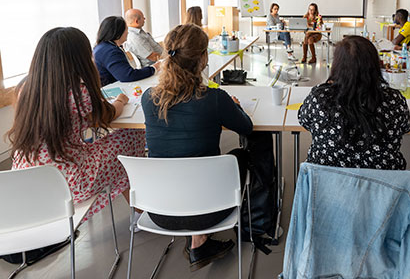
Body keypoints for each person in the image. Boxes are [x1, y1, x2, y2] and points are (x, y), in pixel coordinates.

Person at [141, 23, 254, 271]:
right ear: (202, 58)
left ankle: (198, 240)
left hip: (160, 210)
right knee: (240, 155)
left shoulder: (148, 98)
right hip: (211, 209)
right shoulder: (214, 99)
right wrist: (235, 106)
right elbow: (246, 127)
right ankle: (201, 238)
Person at [9, 27, 146, 223]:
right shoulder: (77, 91)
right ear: (79, 57)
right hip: (69, 183)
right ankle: (141, 212)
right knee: (128, 137)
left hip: (27, 181)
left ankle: (139, 210)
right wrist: (121, 100)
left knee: (111, 146)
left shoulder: (24, 89)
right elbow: (107, 116)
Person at [299, 35, 410, 169]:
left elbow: (304, 120)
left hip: (327, 185)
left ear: (337, 65)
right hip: (383, 186)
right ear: (375, 64)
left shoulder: (320, 97)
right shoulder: (394, 99)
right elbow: (406, 127)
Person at [93, 16, 159, 86]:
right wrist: (154, 68)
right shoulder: (110, 52)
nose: (127, 33)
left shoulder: (102, 46)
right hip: (110, 90)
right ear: (118, 33)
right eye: (126, 29)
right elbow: (128, 75)